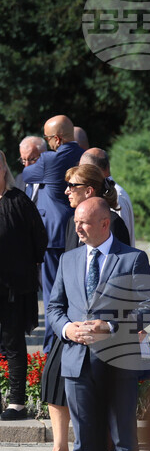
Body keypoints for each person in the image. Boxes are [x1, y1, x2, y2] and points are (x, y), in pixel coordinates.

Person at [48, 197, 150, 451]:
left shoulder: (133, 259)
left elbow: (149, 308)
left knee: (124, 440)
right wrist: (67, 328)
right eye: (76, 221)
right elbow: (54, 307)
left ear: (105, 224)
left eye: (84, 223)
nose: (77, 228)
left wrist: (113, 327)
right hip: (77, 364)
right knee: (84, 443)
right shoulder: (68, 259)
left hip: (118, 364)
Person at [30, 164, 129, 451]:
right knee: (54, 382)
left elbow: (127, 288)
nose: (66, 190)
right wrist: (66, 326)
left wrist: (108, 324)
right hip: (73, 329)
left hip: (104, 338)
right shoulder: (78, 224)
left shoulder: (112, 228)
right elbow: (61, 292)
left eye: (71, 185)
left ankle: (104, 450)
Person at [21, 115, 84, 353]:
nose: (47, 143)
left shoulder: (49, 159)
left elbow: (26, 175)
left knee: (52, 297)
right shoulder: (84, 156)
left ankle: (51, 347)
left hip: (53, 237)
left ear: (56, 139)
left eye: (47, 138)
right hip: (78, 233)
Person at [0, 151, 47, 423]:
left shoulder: (19, 202)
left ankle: (17, 402)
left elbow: (38, 241)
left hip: (13, 287)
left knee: (13, 342)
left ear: (4, 170)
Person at [80, 147, 135, 246]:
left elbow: (120, 236)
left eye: (82, 169)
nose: (79, 173)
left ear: (94, 170)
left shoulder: (115, 195)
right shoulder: (109, 192)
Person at [17, 136, 46, 203]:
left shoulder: (52, 180)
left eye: (32, 159)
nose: (27, 165)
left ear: (44, 156)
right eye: (23, 160)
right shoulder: (19, 179)